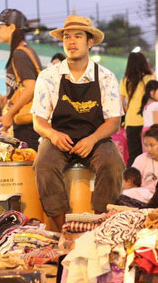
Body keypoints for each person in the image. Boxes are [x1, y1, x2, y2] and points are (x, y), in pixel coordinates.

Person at [32, 15, 125, 231]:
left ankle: (100, 224)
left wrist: (92, 139)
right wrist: (53, 135)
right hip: (59, 138)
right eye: (66, 37)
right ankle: (64, 228)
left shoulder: (105, 77)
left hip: (96, 138)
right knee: (43, 164)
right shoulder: (48, 76)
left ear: (90, 42)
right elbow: (38, 120)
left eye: (78, 36)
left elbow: (113, 121)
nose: (71, 42)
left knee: (113, 163)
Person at [0, 9, 42, 150]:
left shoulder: (19, 53)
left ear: (11, 27)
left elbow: (31, 87)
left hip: (27, 125)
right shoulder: (24, 50)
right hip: (28, 123)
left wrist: (10, 114)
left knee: (27, 166)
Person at [119, 52, 155, 166]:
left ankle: (131, 180)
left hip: (131, 121)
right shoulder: (149, 78)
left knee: (134, 154)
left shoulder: (125, 80)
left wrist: (128, 110)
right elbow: (154, 99)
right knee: (149, 153)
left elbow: (121, 104)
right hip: (147, 121)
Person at [132, 124, 158, 194]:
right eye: (146, 145)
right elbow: (132, 182)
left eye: (152, 145)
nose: (148, 149)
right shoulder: (141, 159)